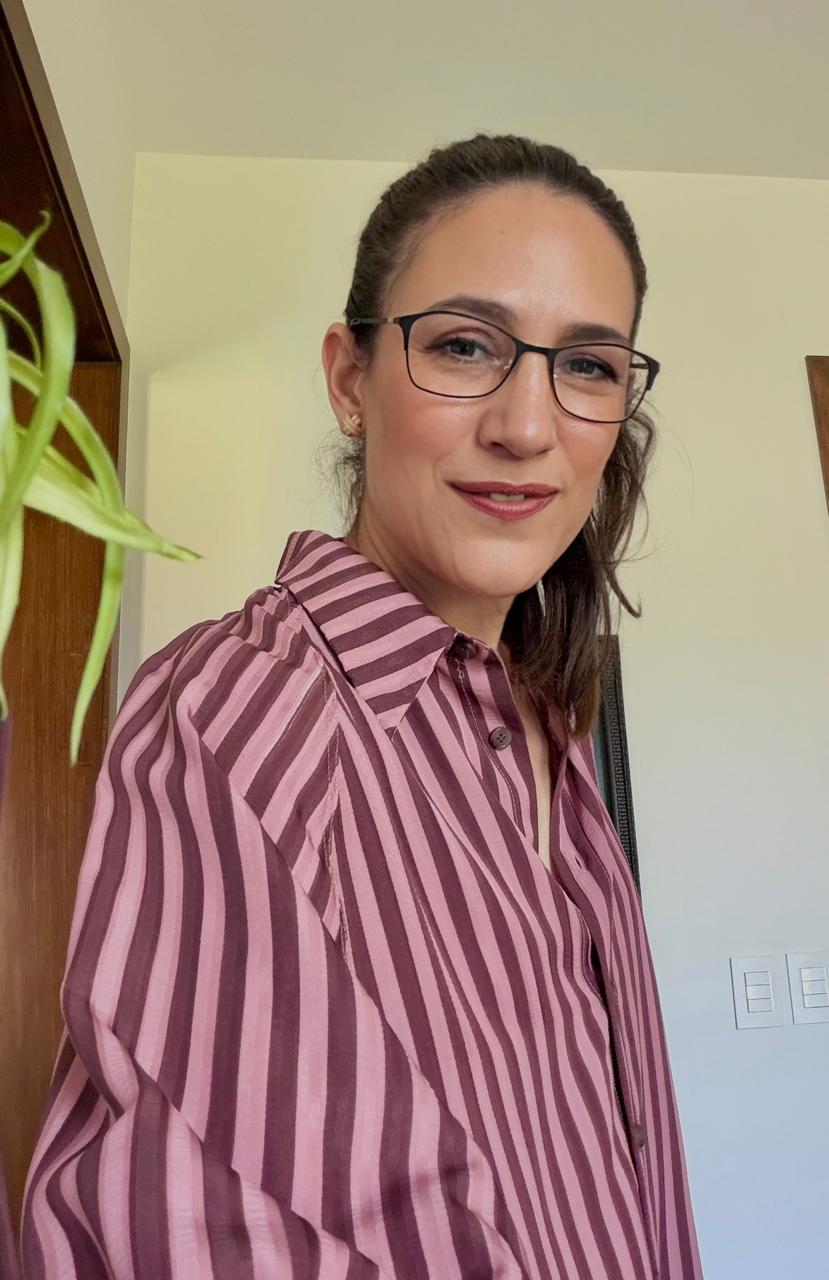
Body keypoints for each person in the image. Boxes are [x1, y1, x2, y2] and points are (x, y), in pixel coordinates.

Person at [20, 133, 704, 1279]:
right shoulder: (241, 707)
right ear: (350, 379)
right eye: (463, 345)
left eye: (586, 366)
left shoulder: (546, 732)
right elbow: (190, 1234)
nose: (527, 426)